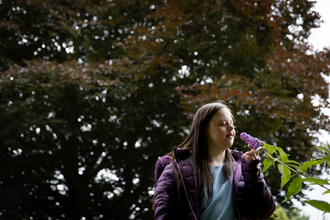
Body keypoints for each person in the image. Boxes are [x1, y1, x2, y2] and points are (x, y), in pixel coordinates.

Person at [153, 101, 275, 220]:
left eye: (232, 123)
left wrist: (252, 172)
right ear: (204, 130)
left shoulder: (244, 168)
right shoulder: (175, 170)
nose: (231, 127)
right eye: (222, 123)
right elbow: (163, 214)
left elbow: (265, 211)